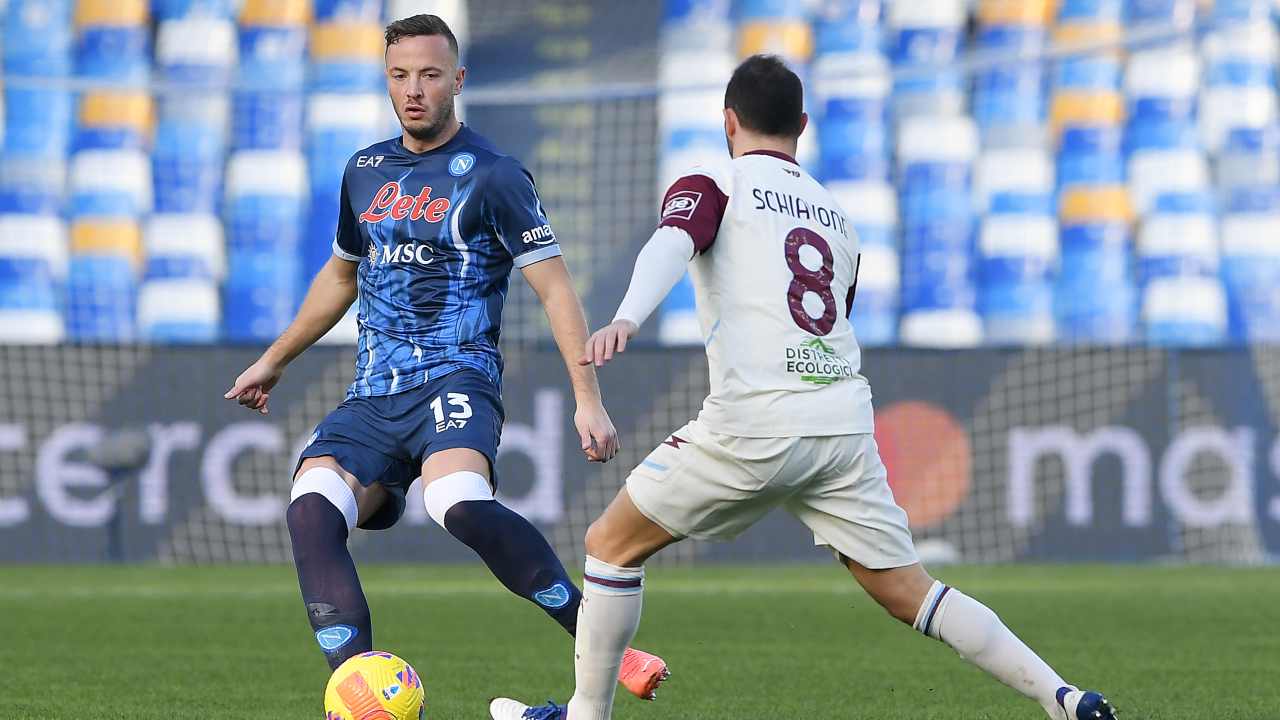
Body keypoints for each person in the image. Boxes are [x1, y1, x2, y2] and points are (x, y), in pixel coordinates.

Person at [489, 55, 1116, 720]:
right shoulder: (838, 219)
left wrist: (625, 317)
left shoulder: (716, 182)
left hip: (755, 420)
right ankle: (1062, 696)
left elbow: (672, 243)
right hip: (842, 425)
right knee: (910, 590)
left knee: (609, 547)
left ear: (727, 121)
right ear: (804, 126)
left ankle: (587, 714)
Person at [223, 14, 667, 701]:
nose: (415, 90)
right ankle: (360, 692)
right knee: (309, 505)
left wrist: (588, 398)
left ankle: (603, 640)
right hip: (374, 393)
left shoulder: (493, 176)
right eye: (400, 75)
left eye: (430, 75)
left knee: (457, 501)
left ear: (457, 80)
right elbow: (342, 274)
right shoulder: (364, 171)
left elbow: (554, 288)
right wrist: (276, 358)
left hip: (457, 379)